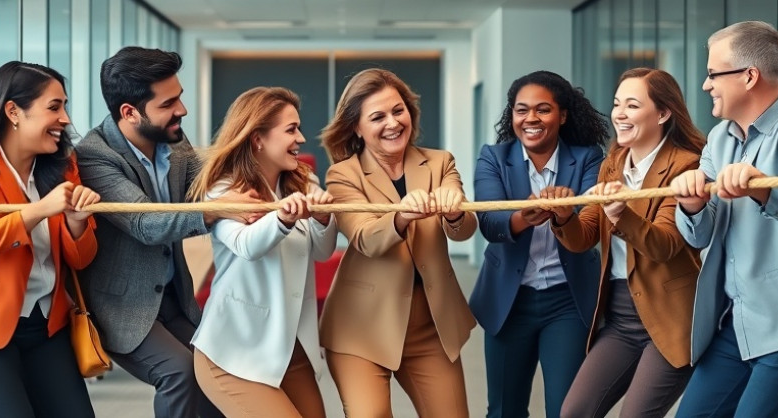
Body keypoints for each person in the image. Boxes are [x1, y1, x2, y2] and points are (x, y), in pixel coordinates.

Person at [670, 21, 778, 417]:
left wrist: (763, 187)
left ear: (749, 76)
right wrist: (693, 205)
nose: (705, 84)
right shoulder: (718, 139)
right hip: (737, 326)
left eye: (713, 73)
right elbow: (701, 236)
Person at [76, 47, 250, 418]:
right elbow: (145, 223)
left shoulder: (174, 139)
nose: (182, 110)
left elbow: (203, 186)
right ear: (130, 112)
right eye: (169, 103)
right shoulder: (94, 155)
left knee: (220, 374)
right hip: (122, 308)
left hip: (175, 297)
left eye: (180, 97)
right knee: (181, 373)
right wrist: (216, 209)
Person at [319, 68, 477, 417]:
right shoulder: (342, 175)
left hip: (429, 325)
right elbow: (364, 239)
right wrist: (401, 216)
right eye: (377, 117)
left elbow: (464, 229)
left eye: (398, 110)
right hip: (360, 327)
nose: (392, 123)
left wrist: (454, 212)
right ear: (356, 128)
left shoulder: (440, 162)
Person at [0, 61, 100, 417]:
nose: (66, 119)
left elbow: (81, 260)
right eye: (54, 107)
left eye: (65, 106)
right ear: (13, 111)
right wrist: (39, 211)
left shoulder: (63, 166)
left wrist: (78, 224)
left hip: (45, 327)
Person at [547, 68, 705, 418]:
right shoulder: (614, 163)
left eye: (632, 105)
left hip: (669, 317)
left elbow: (665, 245)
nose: (619, 113)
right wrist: (562, 217)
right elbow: (583, 236)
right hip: (620, 316)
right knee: (574, 411)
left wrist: (621, 213)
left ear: (663, 113)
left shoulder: (687, 166)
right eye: (617, 104)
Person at [188, 87, 337, 417]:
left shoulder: (303, 180)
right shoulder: (224, 189)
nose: (300, 138)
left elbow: (323, 252)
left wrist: (325, 218)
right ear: (258, 139)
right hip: (232, 352)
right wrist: (282, 219)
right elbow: (247, 245)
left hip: (287, 348)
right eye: (291, 130)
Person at [470, 70, 609, 418]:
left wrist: (563, 215)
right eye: (521, 110)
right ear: (512, 115)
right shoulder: (494, 157)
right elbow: (489, 221)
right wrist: (524, 216)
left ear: (562, 115)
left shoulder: (589, 157)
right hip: (508, 300)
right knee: (504, 410)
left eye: (543, 109)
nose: (531, 118)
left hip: (567, 299)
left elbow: (590, 222)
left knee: (567, 410)